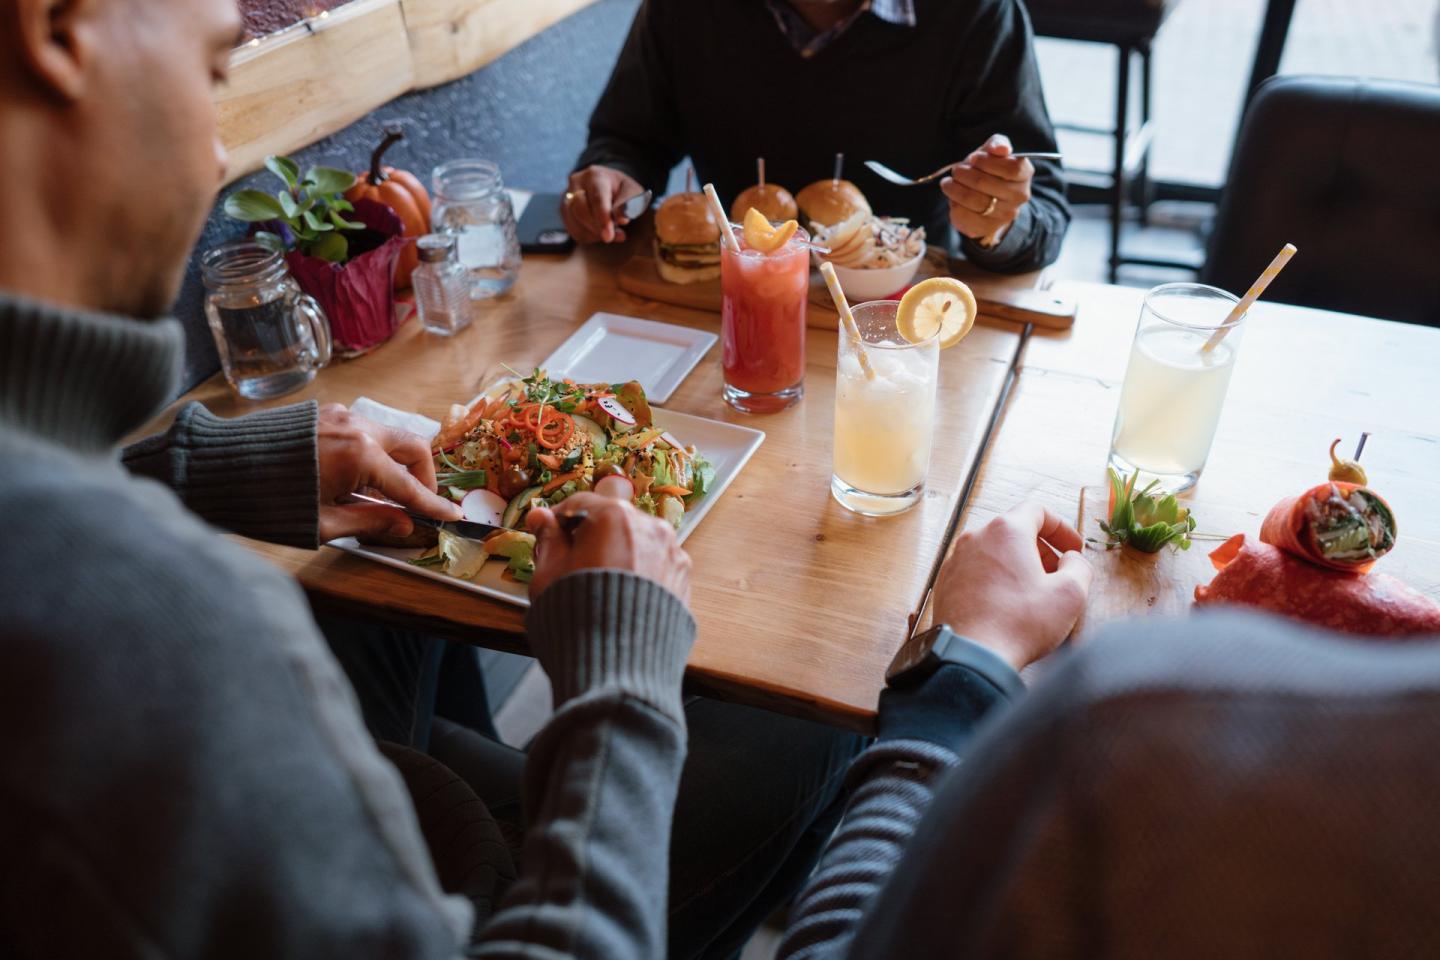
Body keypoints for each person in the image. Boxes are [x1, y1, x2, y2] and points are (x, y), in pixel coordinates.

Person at [0, 0, 861, 954]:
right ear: (60, 28)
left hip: (366, 798)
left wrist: (201, 468)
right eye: (213, 71)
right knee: (819, 725)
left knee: (373, 588)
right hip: (472, 898)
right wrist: (621, 676)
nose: (214, 160)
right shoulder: (176, 629)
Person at [564, 0, 1068, 274]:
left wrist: (996, 221)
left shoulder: (977, 13)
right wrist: (612, 183)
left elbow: (1042, 212)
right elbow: (627, 141)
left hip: (896, 320)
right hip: (721, 308)